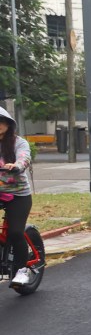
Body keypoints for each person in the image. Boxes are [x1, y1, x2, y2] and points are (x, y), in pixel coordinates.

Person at [0, 107, 34, 289]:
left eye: (1, 121)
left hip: (18, 195)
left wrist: (17, 165)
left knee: (15, 233)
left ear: (9, 124)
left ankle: (22, 270)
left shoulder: (18, 143)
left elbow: (24, 158)